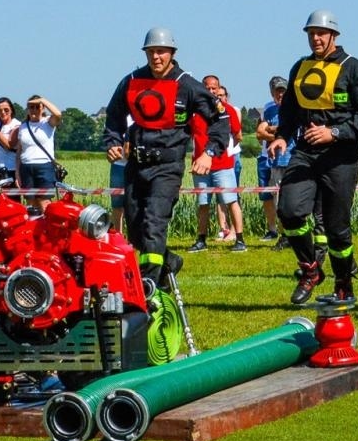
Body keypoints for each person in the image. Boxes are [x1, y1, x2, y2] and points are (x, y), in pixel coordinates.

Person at [268, 10, 358, 305]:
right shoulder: (300, 67)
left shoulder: (354, 69)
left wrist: (335, 133)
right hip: (305, 153)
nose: (315, 38)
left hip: (341, 157)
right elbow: (290, 110)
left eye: (321, 33)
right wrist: (281, 136)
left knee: (336, 228)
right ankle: (310, 268)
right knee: (289, 211)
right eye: (311, 33)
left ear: (334, 35)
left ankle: (344, 284)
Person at [103, 27, 226, 288]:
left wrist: (209, 153)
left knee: (153, 224)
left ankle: (150, 285)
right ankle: (170, 263)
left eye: (161, 51)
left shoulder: (187, 85)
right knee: (136, 233)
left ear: (172, 53)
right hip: (136, 166)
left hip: (167, 168)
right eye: (151, 52)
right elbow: (113, 116)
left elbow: (220, 119)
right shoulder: (131, 81)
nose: (156, 57)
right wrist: (113, 142)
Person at [189, 75, 246, 252]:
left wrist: (224, 153)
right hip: (200, 166)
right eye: (208, 87)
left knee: (231, 201)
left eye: (214, 87)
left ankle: (240, 239)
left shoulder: (227, 110)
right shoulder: (194, 112)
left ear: (219, 88)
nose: (211, 90)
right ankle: (201, 240)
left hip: (223, 165)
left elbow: (237, 135)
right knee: (203, 204)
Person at [254, 75, 291, 241]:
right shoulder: (269, 109)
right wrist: (278, 132)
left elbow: (294, 131)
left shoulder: (296, 108)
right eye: (277, 91)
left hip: (294, 159)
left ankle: (293, 235)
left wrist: (274, 130)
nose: (280, 94)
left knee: (293, 201)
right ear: (272, 93)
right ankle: (284, 235)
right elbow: (260, 133)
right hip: (276, 161)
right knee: (278, 201)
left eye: (283, 90)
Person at [13, 95, 64, 208]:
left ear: (43, 108)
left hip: (44, 167)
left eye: (37, 107)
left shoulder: (48, 122)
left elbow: (58, 114)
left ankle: (47, 225)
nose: (34, 110)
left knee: (44, 202)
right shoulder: (23, 126)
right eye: (31, 107)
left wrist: (42, 100)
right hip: (26, 168)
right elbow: (18, 153)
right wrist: (17, 173)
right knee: (31, 203)